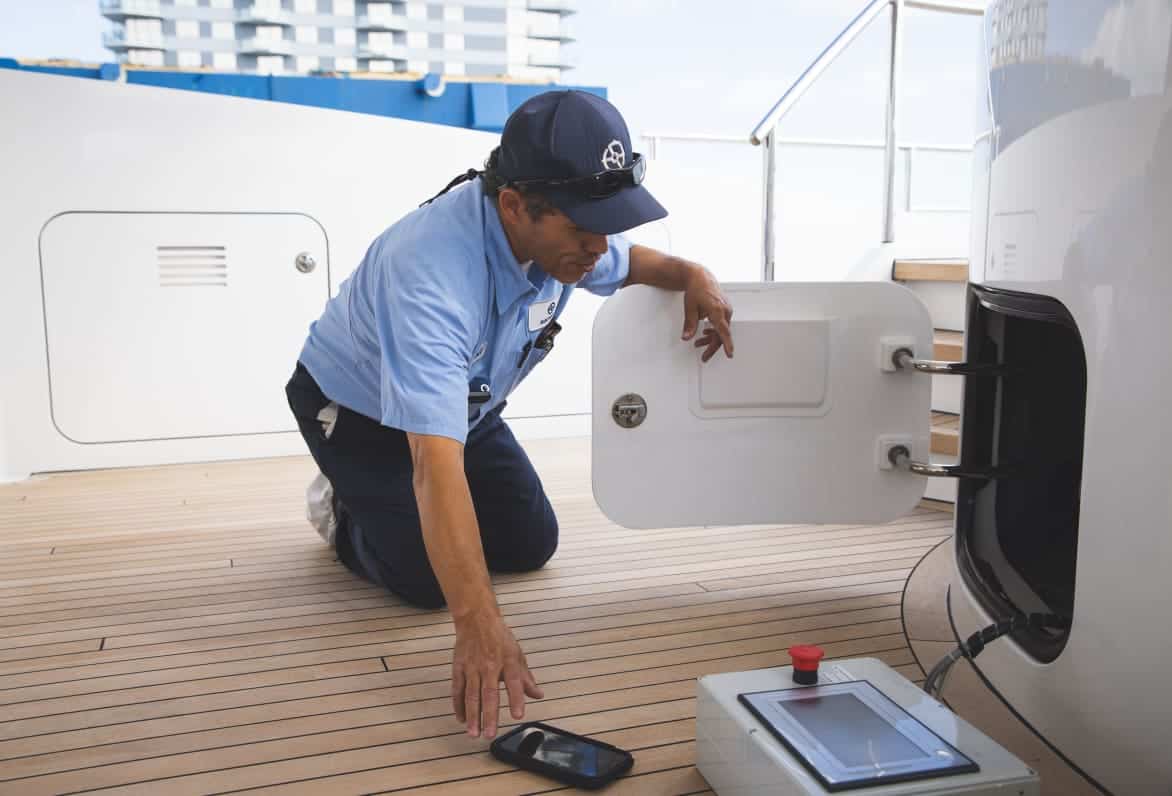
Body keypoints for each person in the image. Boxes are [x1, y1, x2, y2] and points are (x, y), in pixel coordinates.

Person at [285, 89, 734, 742]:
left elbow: (633, 263)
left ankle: (394, 513)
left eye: (606, 222)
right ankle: (340, 505)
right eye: (583, 229)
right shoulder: (431, 273)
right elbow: (432, 463)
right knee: (424, 584)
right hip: (355, 408)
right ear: (515, 206)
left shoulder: (571, 233)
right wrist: (479, 623)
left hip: (467, 402)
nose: (597, 245)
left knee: (531, 544)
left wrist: (696, 274)